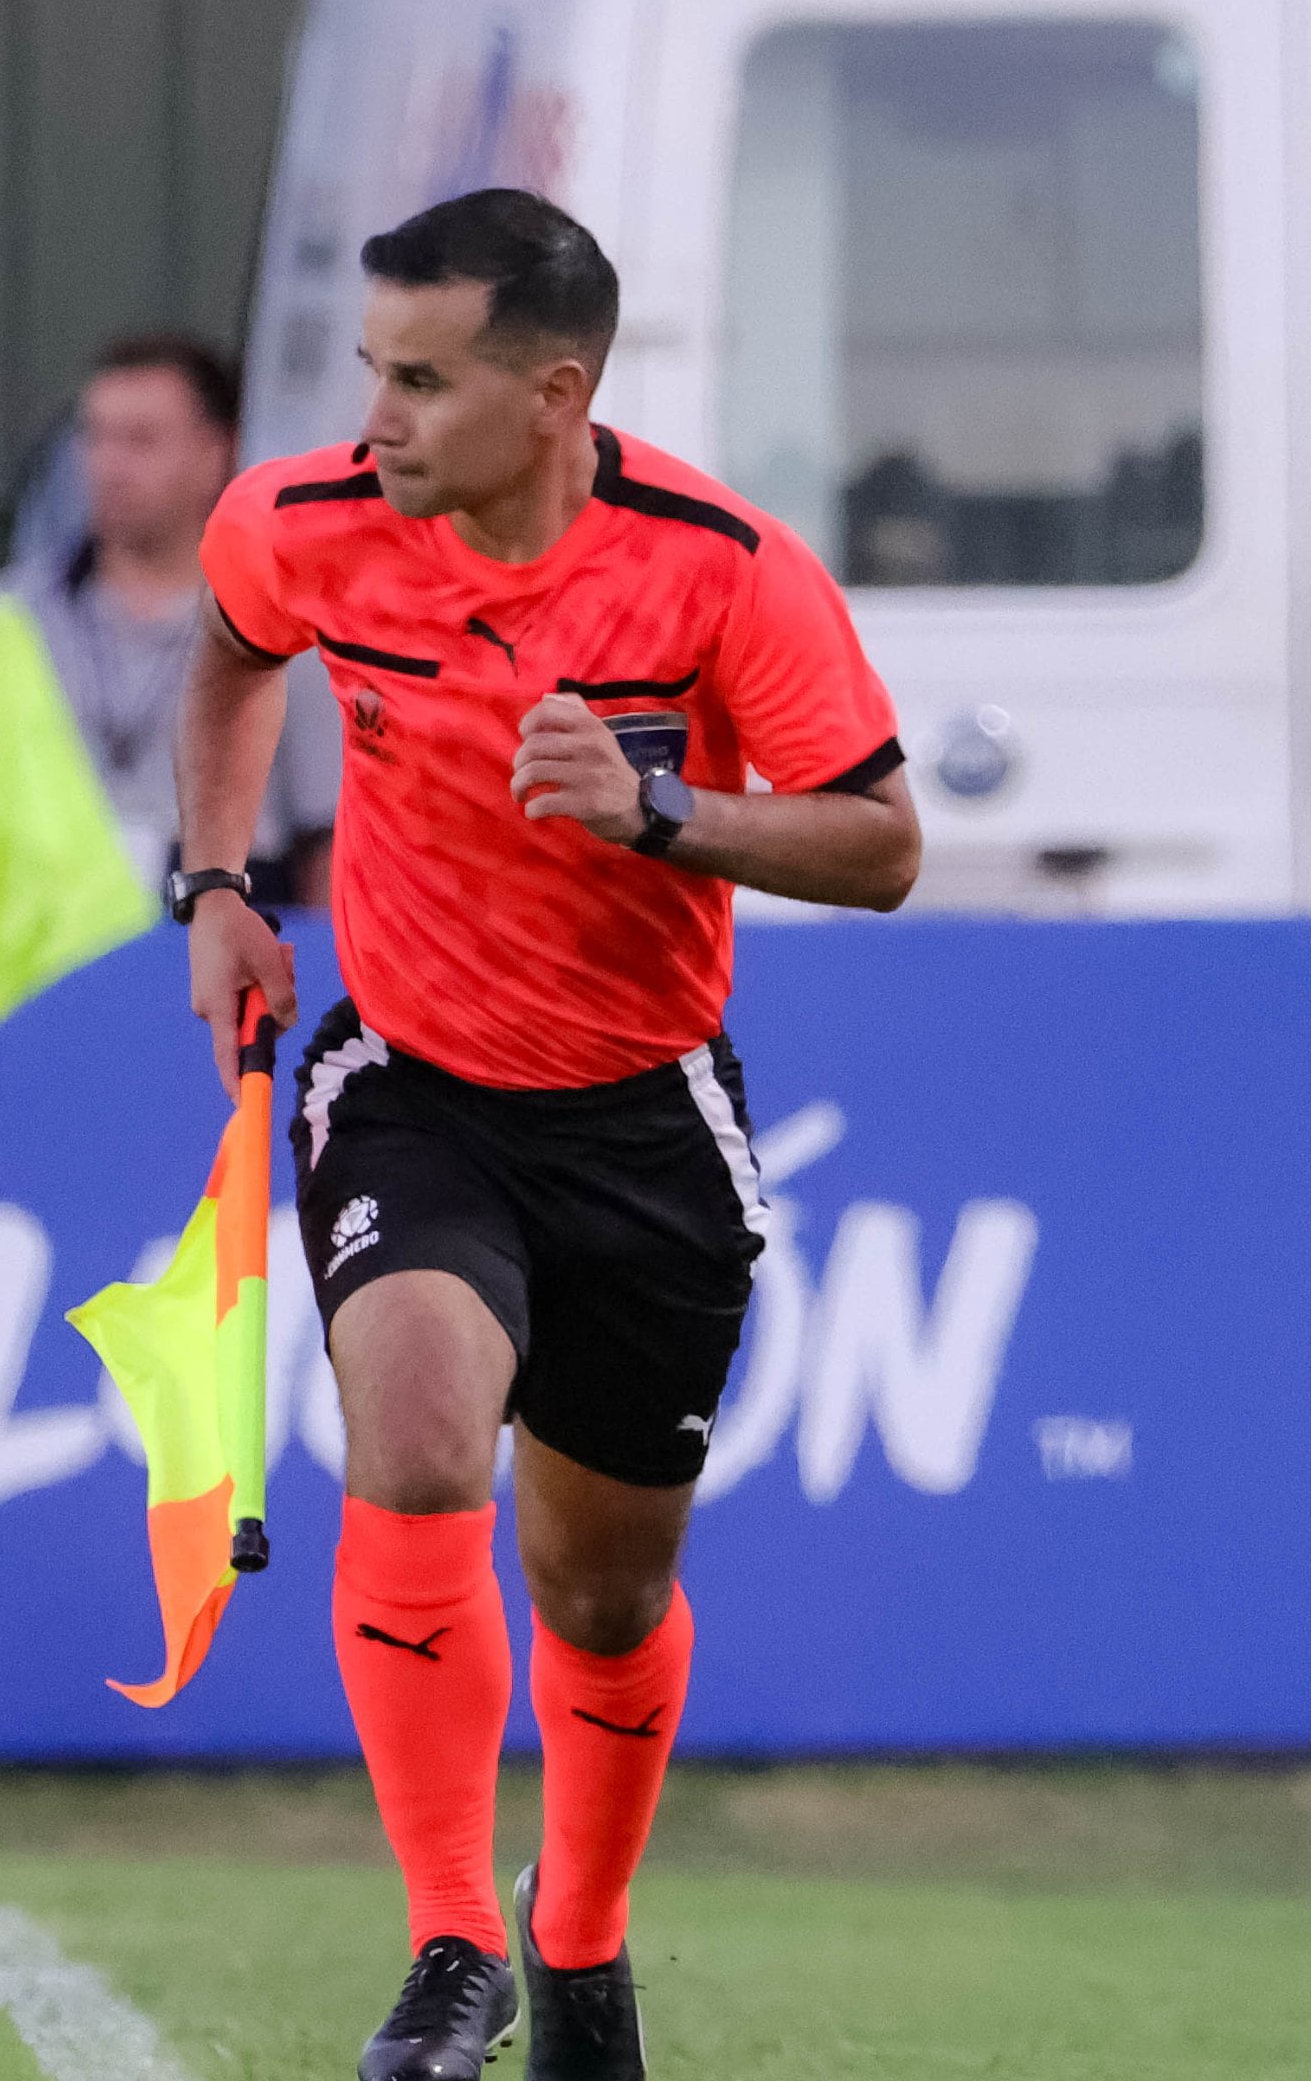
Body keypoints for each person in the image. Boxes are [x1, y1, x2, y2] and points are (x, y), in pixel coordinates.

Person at [175, 190, 917, 2081]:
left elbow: (882, 840)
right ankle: (447, 1943)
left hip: (643, 1118)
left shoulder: (724, 566)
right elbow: (233, 643)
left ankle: (572, 1931)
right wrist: (218, 878)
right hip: (413, 1080)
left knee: (605, 1589)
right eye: (374, 372)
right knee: (413, 1438)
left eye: (423, 380)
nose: (382, 417)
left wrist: (663, 812)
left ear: (555, 391)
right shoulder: (311, 517)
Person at [0, 335, 339, 909]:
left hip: (220, 930)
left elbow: (327, 836)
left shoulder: (286, 627)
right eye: (95, 437)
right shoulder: (7, 616)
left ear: (219, 453)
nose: (109, 466)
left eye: (140, 441)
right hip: (40, 945)